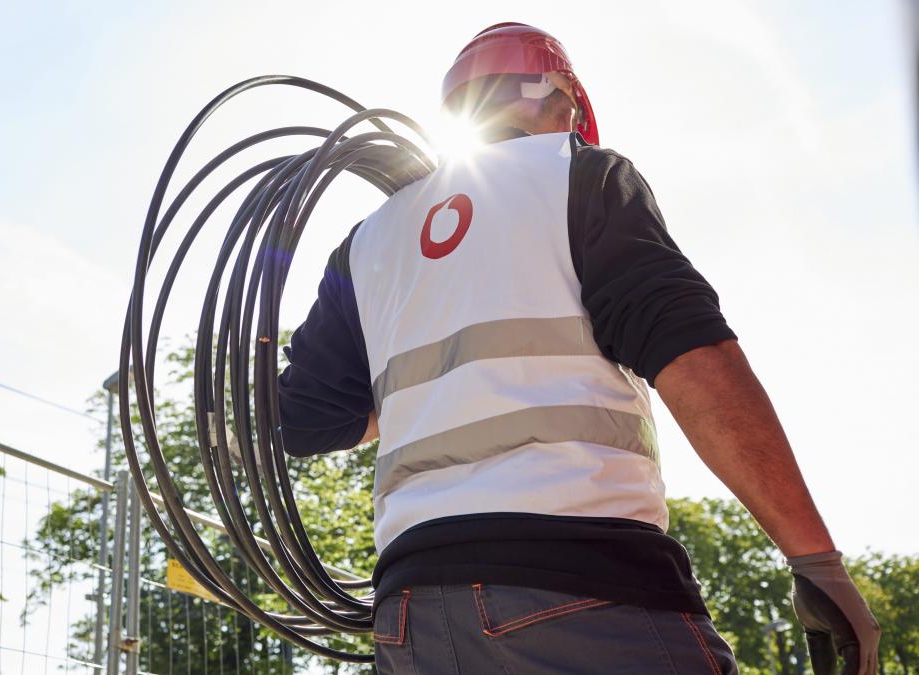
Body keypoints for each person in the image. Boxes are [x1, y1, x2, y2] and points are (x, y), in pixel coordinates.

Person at [276, 22, 880, 675]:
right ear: (554, 97)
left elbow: (306, 420)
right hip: (578, 582)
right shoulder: (577, 173)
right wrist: (815, 560)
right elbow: (693, 360)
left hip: (413, 619)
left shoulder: (368, 240)